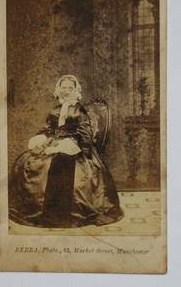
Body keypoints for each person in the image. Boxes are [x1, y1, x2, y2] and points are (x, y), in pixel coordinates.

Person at [9, 75, 124, 227]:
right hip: (54, 141)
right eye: (64, 87)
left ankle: (64, 212)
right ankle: (36, 208)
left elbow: (84, 133)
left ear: (76, 90)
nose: (67, 91)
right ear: (59, 89)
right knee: (28, 160)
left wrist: (69, 144)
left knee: (63, 164)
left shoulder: (80, 110)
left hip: (74, 144)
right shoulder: (55, 109)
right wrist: (42, 137)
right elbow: (49, 128)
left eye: (70, 88)